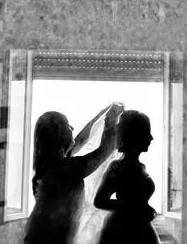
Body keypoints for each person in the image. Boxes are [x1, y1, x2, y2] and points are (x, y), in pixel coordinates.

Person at [24, 103, 124, 244]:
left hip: (42, 234)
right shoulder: (64, 169)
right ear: (59, 136)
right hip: (48, 238)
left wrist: (102, 114)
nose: (72, 128)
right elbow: (105, 150)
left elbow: (82, 139)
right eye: (67, 126)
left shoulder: (52, 164)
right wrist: (111, 119)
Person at [93, 110, 160, 244]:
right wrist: (136, 208)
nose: (151, 138)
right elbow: (99, 201)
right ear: (135, 135)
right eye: (147, 132)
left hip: (139, 230)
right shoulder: (117, 167)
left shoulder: (141, 166)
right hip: (123, 232)